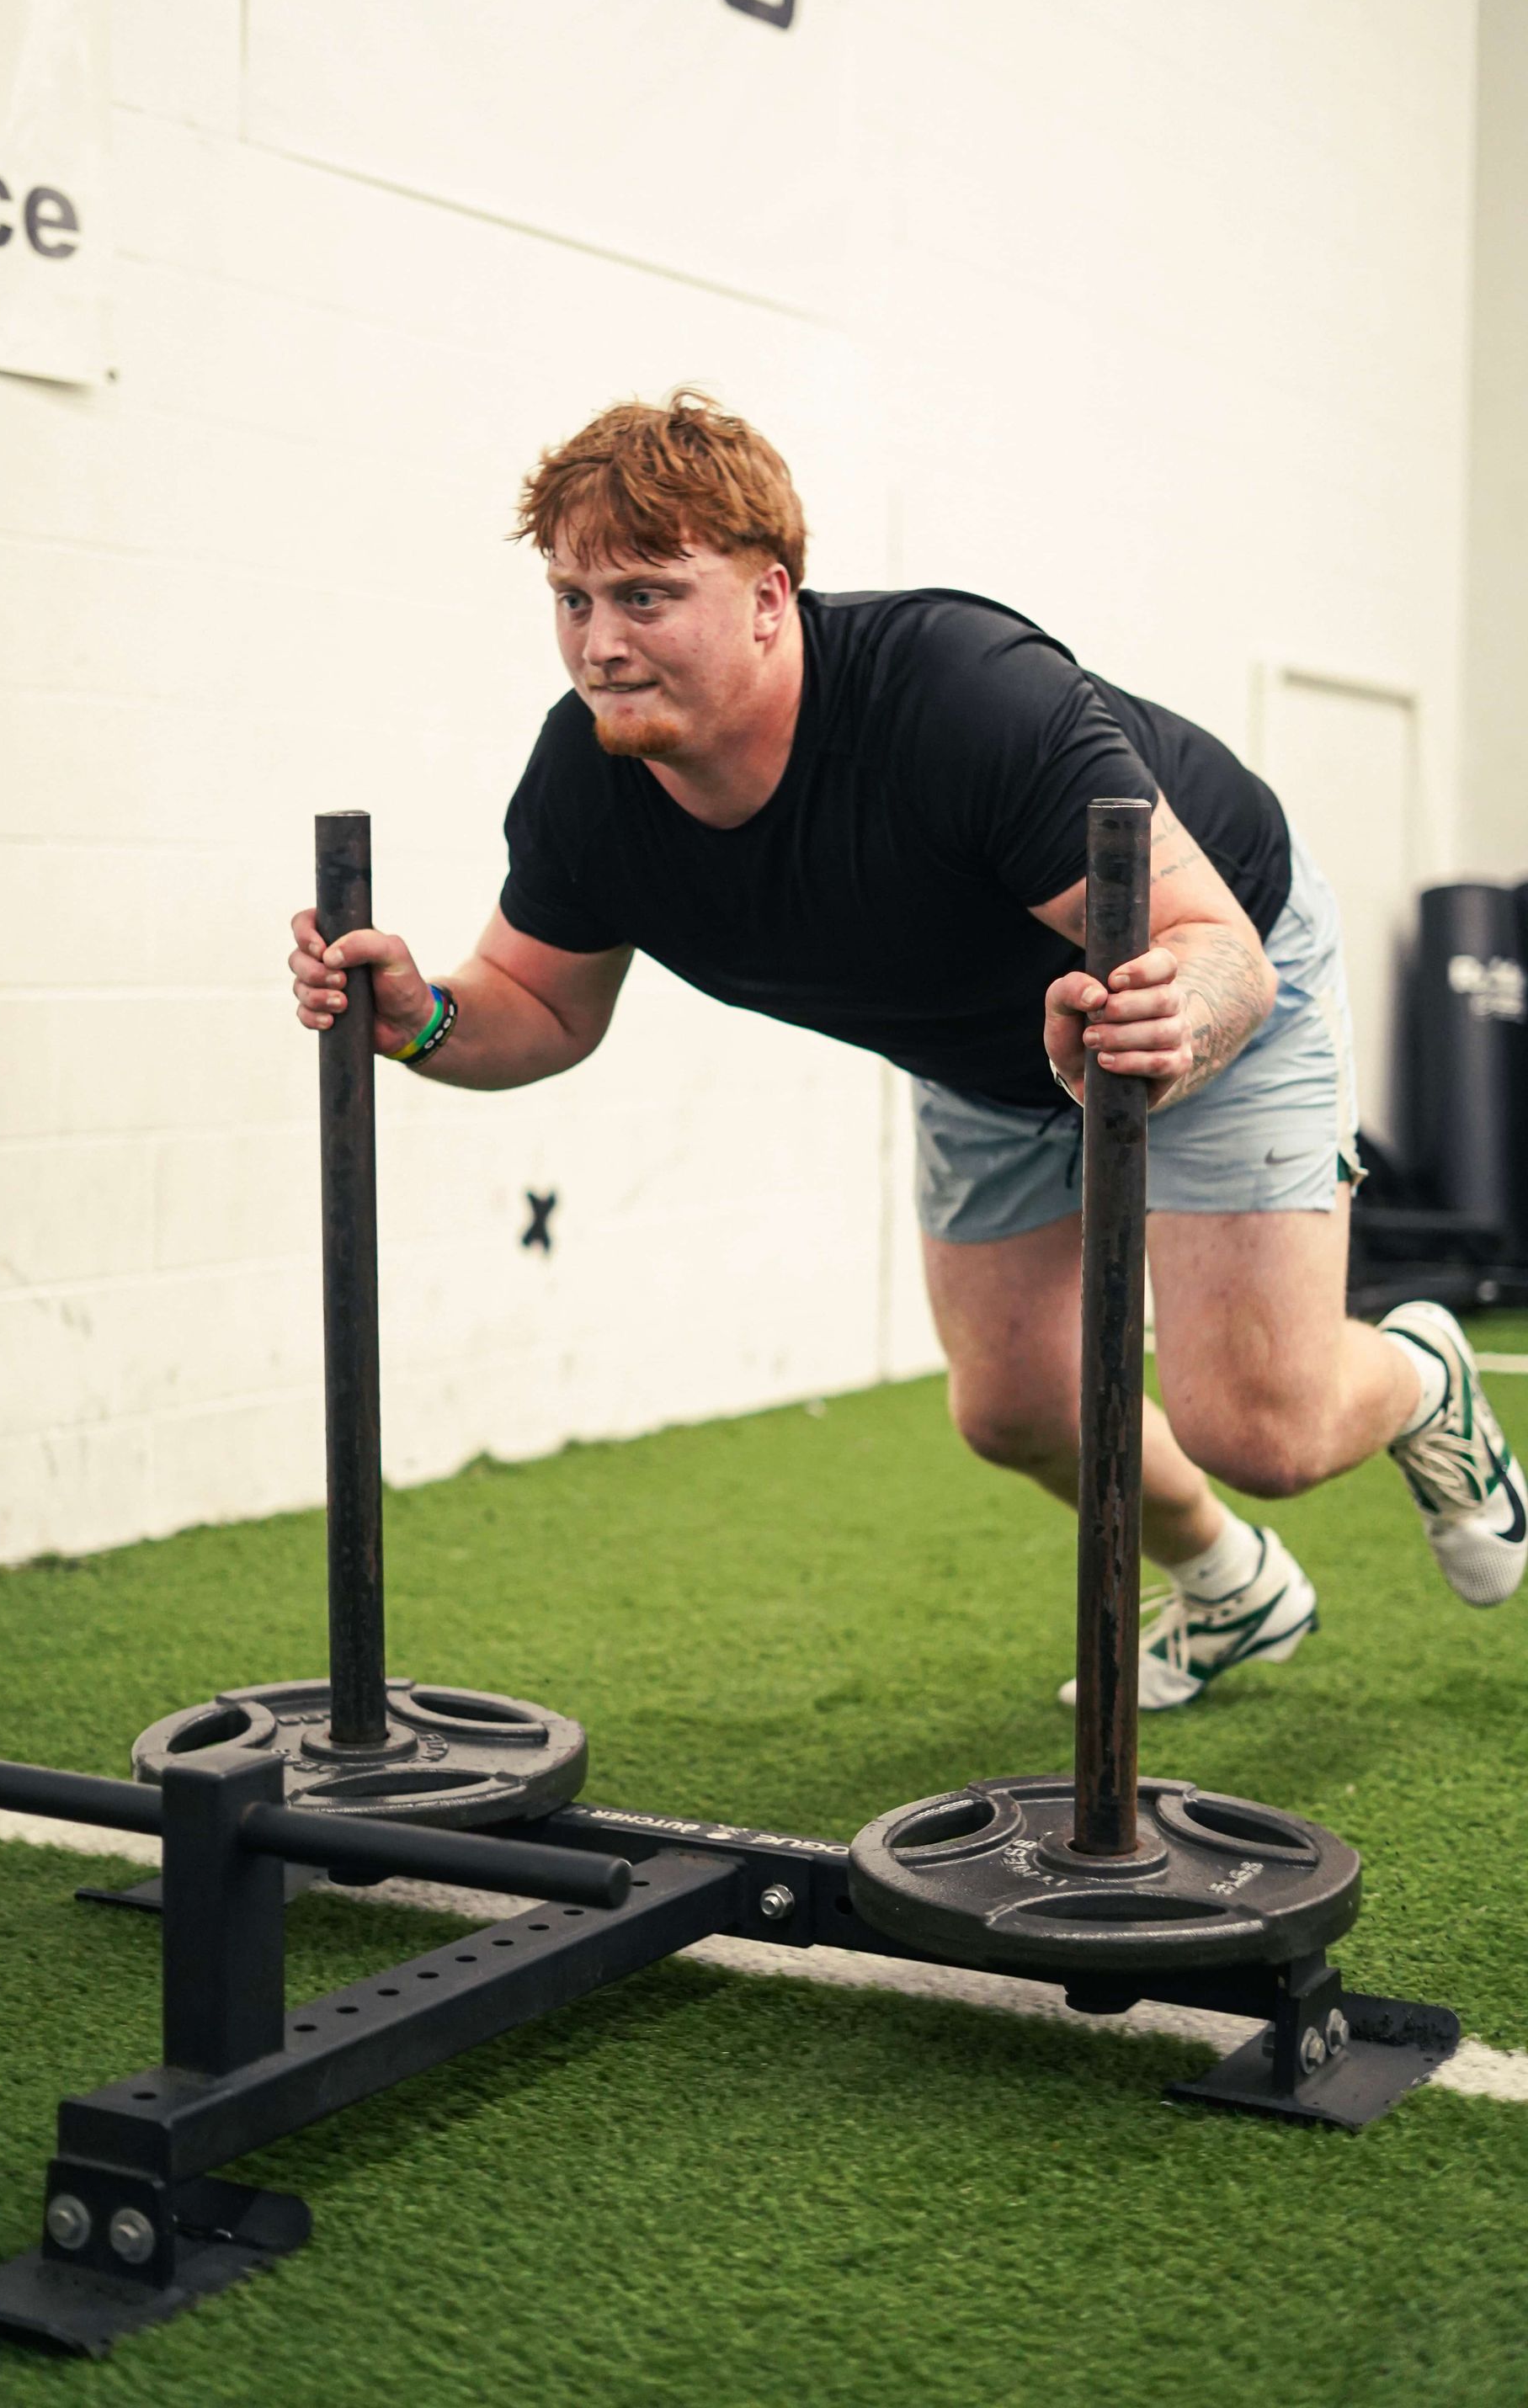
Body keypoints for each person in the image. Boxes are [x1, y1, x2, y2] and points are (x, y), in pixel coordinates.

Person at [288, 393, 1525, 1707]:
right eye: (574, 599)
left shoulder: (959, 697)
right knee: (1012, 1408)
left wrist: (1176, 1019)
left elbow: (1211, 941)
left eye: (647, 596)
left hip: (1199, 985)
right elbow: (537, 1008)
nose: (600, 644)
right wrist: (416, 1020)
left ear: (770, 597)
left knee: (1257, 1427)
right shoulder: (590, 784)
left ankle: (1424, 1379)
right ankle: (1228, 1585)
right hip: (989, 1062)